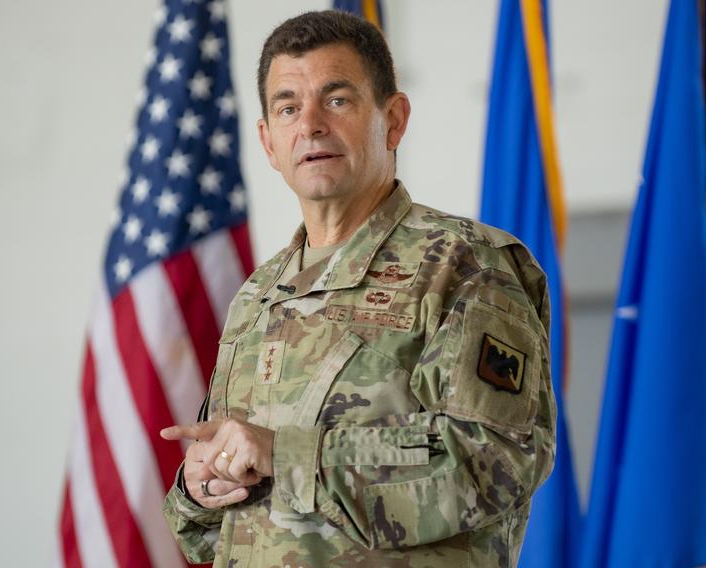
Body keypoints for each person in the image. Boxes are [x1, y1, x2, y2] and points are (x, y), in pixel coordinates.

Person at [160, 10, 555, 567]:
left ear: (393, 120)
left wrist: (287, 455)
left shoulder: (464, 265)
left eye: (337, 100)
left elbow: (495, 460)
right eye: (288, 107)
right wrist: (203, 488)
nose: (312, 125)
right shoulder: (259, 294)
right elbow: (225, 529)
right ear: (268, 142)